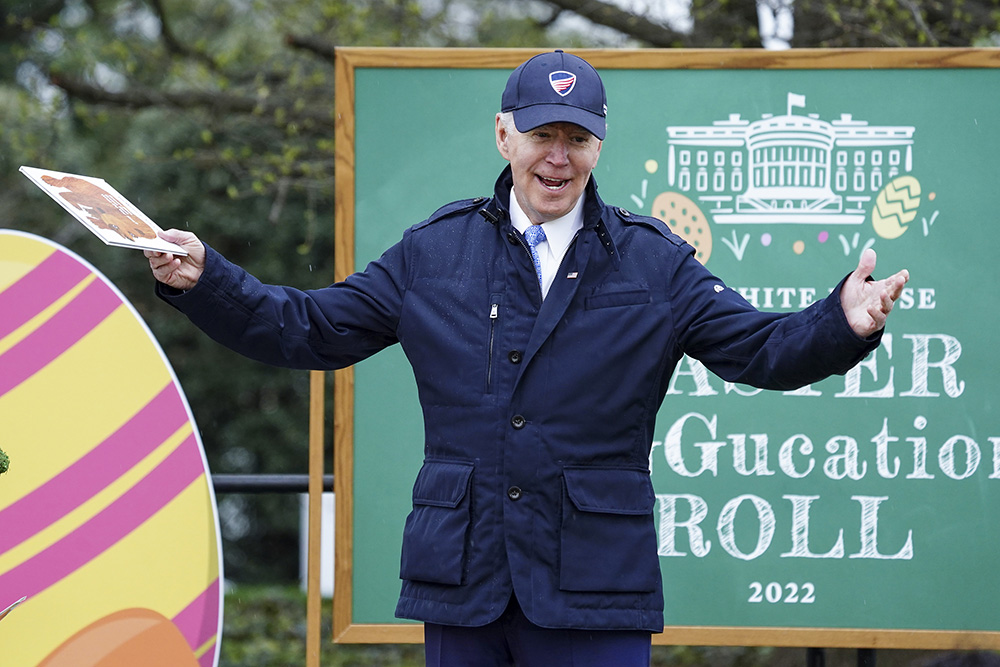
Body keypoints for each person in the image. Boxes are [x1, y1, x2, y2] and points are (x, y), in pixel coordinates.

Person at [146, 50, 909, 667]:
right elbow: (308, 327)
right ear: (504, 136)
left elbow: (761, 349)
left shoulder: (654, 263)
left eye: (576, 138)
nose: (558, 157)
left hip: (595, 588)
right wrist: (209, 280)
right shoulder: (432, 253)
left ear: (598, 145)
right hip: (464, 585)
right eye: (542, 134)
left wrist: (839, 322)